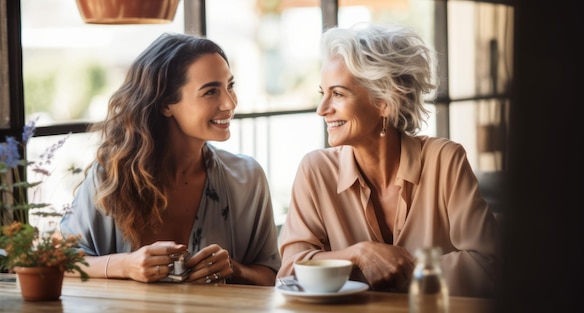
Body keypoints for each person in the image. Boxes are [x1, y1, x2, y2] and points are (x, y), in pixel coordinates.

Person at [277, 23, 500, 297]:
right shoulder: (315, 170)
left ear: (385, 100)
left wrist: (396, 269)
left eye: (338, 94)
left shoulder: (445, 160)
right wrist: (358, 255)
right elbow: (289, 272)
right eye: (323, 94)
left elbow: (489, 265)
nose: (321, 109)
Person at [60, 33, 280, 286]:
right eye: (210, 92)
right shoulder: (111, 176)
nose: (229, 103)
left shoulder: (247, 178)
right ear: (166, 103)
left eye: (230, 86)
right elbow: (60, 261)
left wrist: (235, 269)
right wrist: (126, 264)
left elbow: (272, 276)